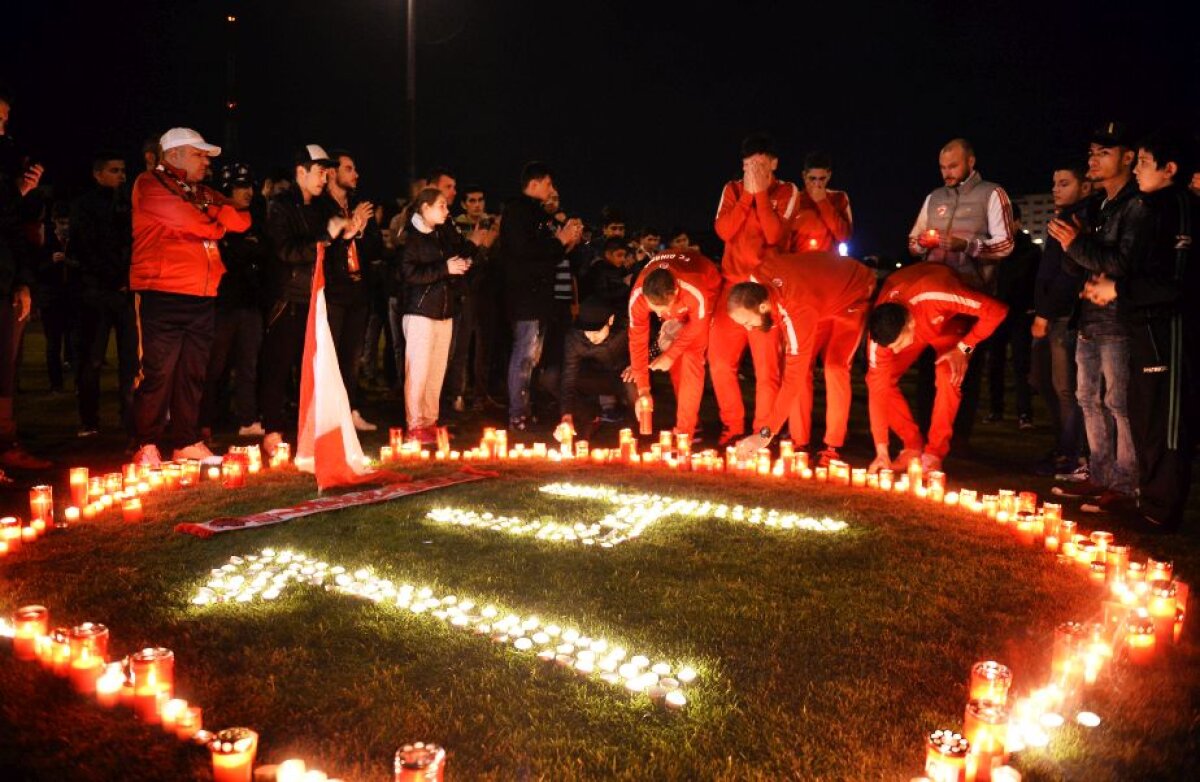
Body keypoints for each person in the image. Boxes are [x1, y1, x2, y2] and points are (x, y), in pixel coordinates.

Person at [1082, 130, 1197, 530]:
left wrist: (1118, 289)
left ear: (1170, 169)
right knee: (1145, 415)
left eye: (1145, 163)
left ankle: (1161, 510)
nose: (1139, 171)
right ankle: (1149, 500)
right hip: (1144, 329)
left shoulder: (1180, 208)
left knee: (1166, 423)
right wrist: (1110, 290)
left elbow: (1175, 283)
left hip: (1170, 332)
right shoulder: (1154, 209)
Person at [128, 127, 250, 466]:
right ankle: (145, 443)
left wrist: (207, 214)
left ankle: (186, 440)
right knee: (158, 372)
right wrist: (211, 220)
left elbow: (240, 217)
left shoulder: (198, 191)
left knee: (193, 372)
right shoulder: (148, 183)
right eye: (199, 154)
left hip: (202, 293)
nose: (206, 162)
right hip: (163, 290)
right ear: (175, 153)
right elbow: (189, 218)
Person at [1048, 122, 1147, 514]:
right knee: (1088, 398)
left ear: (1128, 157)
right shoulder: (1097, 206)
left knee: (1118, 401)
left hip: (1119, 322)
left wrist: (1077, 244)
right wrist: (1070, 245)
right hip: (1087, 319)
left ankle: (1125, 484)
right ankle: (1099, 474)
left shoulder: (1136, 205)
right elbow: (1081, 265)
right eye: (1092, 152)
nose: (1094, 159)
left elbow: (1121, 264)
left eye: (1104, 153)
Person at [907, 138, 1015, 455]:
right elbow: (912, 240)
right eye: (942, 167)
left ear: (971, 162)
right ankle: (926, 434)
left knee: (961, 369)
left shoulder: (992, 194)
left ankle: (958, 440)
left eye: (952, 166)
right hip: (934, 293)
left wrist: (966, 245)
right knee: (929, 368)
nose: (946, 173)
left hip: (972, 294)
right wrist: (921, 245)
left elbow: (1006, 244)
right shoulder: (934, 197)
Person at [727, 251, 875, 465]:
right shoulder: (757, 279)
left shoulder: (797, 309)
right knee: (799, 366)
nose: (749, 329)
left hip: (853, 295)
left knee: (835, 366)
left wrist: (765, 434)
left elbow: (792, 379)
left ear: (763, 306)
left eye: (749, 322)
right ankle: (799, 440)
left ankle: (833, 444)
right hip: (821, 294)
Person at [865, 262, 1007, 473]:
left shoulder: (938, 293)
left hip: (947, 321)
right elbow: (878, 392)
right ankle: (912, 446)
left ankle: (934, 454)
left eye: (898, 345)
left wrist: (964, 347)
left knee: (948, 373)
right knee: (879, 379)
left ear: (910, 325)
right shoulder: (881, 340)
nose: (895, 352)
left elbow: (997, 310)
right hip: (915, 320)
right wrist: (881, 450)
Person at [710, 132, 799, 445]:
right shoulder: (732, 189)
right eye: (748, 165)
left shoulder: (788, 191)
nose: (754, 171)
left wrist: (761, 195)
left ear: (774, 163)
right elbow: (724, 230)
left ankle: (763, 433)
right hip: (731, 288)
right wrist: (747, 195)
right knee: (720, 362)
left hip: (765, 290)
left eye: (760, 164)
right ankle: (732, 426)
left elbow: (775, 235)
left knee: (767, 369)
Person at [259, 145, 340, 457]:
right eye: (319, 171)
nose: (324, 177)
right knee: (279, 367)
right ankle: (273, 432)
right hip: (288, 299)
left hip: (315, 300)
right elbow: (287, 251)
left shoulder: (321, 208)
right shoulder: (279, 206)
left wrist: (345, 231)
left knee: (313, 369)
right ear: (301, 171)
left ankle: (311, 429)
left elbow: (330, 241)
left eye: (326, 172)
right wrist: (327, 237)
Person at [497, 161, 580, 431]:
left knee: (532, 357)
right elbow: (526, 251)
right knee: (524, 355)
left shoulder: (537, 214)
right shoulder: (518, 212)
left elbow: (546, 255)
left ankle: (526, 409)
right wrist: (559, 240)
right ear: (533, 185)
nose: (552, 189)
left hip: (540, 299)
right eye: (548, 183)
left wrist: (566, 243)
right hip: (526, 299)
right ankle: (517, 414)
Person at [401, 187, 487, 444]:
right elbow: (409, 274)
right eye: (441, 205)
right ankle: (414, 424)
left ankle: (430, 421)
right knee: (418, 370)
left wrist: (462, 262)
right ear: (425, 208)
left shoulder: (442, 233)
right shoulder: (411, 236)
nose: (447, 210)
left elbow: (454, 258)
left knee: (437, 369)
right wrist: (445, 268)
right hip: (421, 311)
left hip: (445, 310)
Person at [0, 90, 51, 472]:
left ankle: (5, 444)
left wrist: (22, 280)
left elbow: (13, 231)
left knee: (6, 366)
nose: (4, 130)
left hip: (6, 283)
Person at [198, 162, 267, 440]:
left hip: (249, 304)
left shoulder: (257, 218)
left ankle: (247, 418)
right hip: (221, 304)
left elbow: (262, 255)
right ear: (226, 189)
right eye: (241, 186)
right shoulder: (215, 218)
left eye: (250, 185)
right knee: (214, 366)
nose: (247, 191)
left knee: (248, 365)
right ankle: (204, 422)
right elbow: (230, 259)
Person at [1030, 165, 1090, 479]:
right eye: (1054, 183)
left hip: (1063, 316)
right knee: (1044, 381)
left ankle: (1072, 454)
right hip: (1050, 313)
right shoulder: (1061, 218)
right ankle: (1065, 447)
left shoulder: (1076, 221)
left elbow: (1068, 276)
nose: (1056, 189)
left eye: (1064, 183)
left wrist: (1044, 314)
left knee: (1066, 388)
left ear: (1085, 187)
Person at [72, 153, 136, 438]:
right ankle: (89, 420)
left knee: (129, 360)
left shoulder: (128, 204)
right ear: (97, 173)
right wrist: (115, 277)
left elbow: (134, 244)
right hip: (96, 293)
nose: (121, 175)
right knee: (92, 360)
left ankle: (130, 418)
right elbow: (87, 247)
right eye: (114, 170)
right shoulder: (84, 206)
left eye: (122, 170)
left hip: (122, 293)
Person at [626, 249, 721, 438]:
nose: (661, 315)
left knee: (691, 359)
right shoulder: (638, 297)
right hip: (680, 302)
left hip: (708, 289)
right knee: (676, 363)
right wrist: (643, 389)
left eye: (664, 309)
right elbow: (637, 340)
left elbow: (697, 327)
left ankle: (686, 431)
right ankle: (691, 422)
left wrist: (669, 355)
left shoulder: (694, 287)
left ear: (675, 291)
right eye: (656, 310)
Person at [318, 149, 379, 432]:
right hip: (333, 291)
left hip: (358, 290)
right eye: (349, 169)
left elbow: (378, 249)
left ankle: (351, 409)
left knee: (352, 357)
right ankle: (329, 415)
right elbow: (325, 250)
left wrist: (363, 230)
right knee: (330, 355)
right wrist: (348, 231)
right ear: (332, 172)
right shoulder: (322, 207)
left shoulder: (360, 206)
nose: (356, 174)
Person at [983, 203, 1039, 428]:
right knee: (994, 363)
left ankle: (1024, 413)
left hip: (1020, 314)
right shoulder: (993, 248)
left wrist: (1033, 309)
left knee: (1020, 365)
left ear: (1017, 222)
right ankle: (996, 410)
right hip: (995, 314)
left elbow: (1037, 282)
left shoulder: (1031, 251)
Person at [445, 184, 500, 410]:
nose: (477, 205)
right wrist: (482, 248)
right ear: (464, 204)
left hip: (487, 292)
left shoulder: (493, 225)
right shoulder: (457, 225)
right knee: (462, 345)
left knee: (484, 346)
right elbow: (463, 259)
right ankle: (457, 393)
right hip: (466, 292)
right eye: (472, 200)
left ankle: (480, 394)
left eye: (480, 200)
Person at [560, 297, 638, 439]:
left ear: (611, 320)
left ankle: (634, 429)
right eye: (587, 331)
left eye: (596, 331)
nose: (591, 337)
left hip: (625, 378)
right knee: (552, 377)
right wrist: (566, 414)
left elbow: (650, 344)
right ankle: (589, 417)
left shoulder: (626, 327)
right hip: (598, 379)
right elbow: (569, 377)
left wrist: (637, 365)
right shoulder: (575, 338)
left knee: (632, 382)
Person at [35, 201, 79, 395]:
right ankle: (56, 384)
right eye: (62, 222)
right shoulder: (45, 241)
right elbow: (35, 269)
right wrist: (49, 262)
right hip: (51, 300)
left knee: (75, 341)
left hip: (71, 299)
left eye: (68, 222)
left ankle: (79, 383)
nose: (65, 226)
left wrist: (70, 262)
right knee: (53, 343)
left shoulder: (76, 241)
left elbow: (85, 265)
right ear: (54, 222)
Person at [787, 151, 852, 253]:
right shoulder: (793, 199)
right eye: (812, 178)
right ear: (804, 175)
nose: (817, 184)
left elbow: (844, 236)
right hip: (800, 264)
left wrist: (822, 201)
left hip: (828, 264)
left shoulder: (839, 198)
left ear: (829, 175)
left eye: (822, 178)